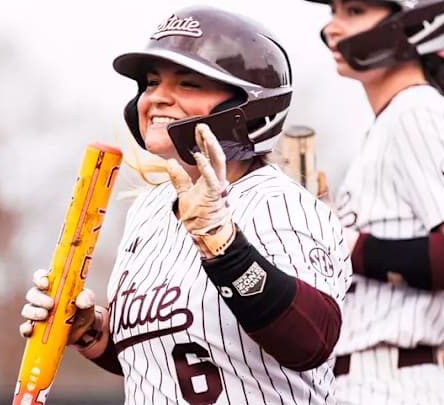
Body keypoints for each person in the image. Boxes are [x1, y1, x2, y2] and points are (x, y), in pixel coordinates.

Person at [20, 5, 352, 405]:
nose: (157, 97)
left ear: (247, 104)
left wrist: (225, 248)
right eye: (151, 82)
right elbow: (170, 364)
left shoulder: (281, 204)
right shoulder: (148, 213)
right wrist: (92, 333)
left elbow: (313, 341)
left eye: (189, 83)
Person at [303, 0, 444, 404]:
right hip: (360, 380)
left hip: (393, 381)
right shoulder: (393, 121)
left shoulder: (419, 113)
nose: (333, 28)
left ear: (413, 21)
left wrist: (349, 246)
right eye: (335, 12)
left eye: (355, 11)